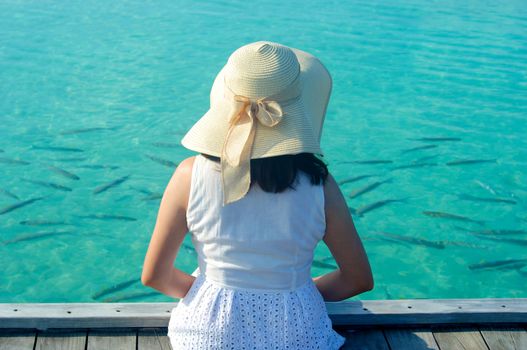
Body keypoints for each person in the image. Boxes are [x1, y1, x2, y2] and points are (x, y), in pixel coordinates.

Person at [141, 41, 374, 349]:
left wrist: (208, 294)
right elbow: (358, 279)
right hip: (297, 337)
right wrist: (293, 297)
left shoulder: (189, 174)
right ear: (299, 105)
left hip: (208, 338)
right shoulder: (321, 185)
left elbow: (154, 276)